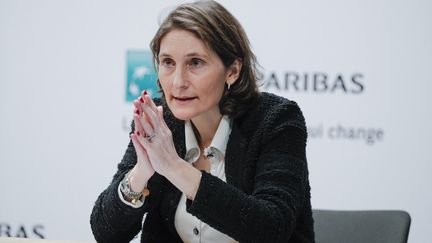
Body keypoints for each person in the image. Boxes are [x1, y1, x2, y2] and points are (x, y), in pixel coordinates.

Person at [90, 1, 315, 242]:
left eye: (195, 63)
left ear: (232, 71)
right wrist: (139, 175)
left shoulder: (276, 120)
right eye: (168, 62)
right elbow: (106, 233)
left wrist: (175, 167)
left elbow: (272, 228)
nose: (178, 82)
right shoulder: (159, 121)